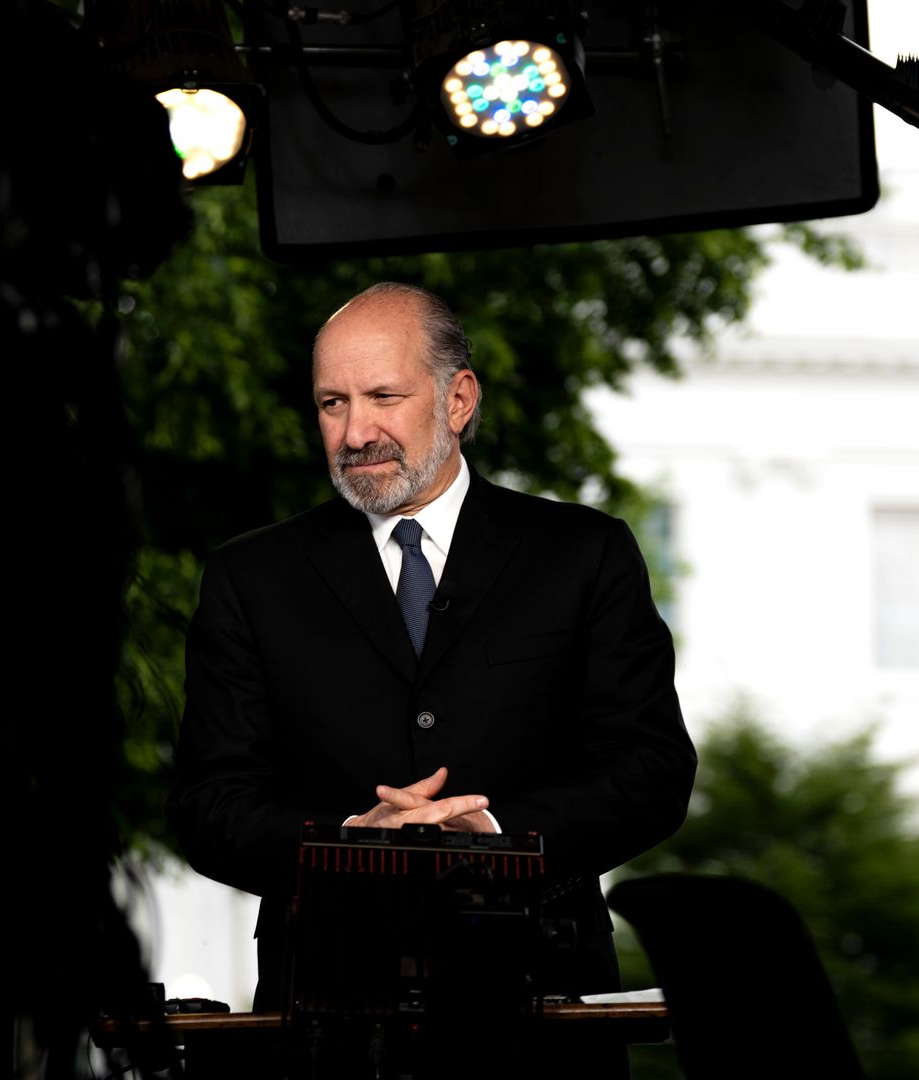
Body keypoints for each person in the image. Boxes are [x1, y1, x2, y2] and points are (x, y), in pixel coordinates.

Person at [165, 281, 697, 1032]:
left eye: (383, 396)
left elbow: (652, 772)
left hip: (543, 1007)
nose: (355, 433)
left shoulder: (583, 554)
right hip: (329, 1015)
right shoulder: (251, 578)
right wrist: (349, 843)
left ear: (458, 400)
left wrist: (500, 837)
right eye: (332, 403)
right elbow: (208, 804)